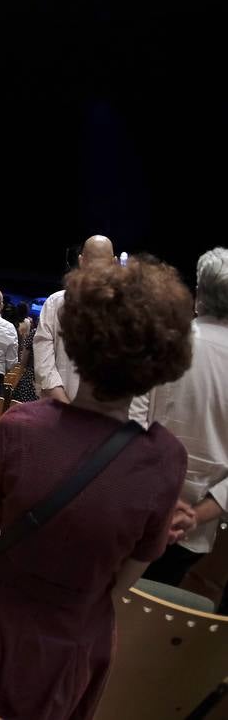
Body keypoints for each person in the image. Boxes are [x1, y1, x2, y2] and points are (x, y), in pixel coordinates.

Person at [0, 259, 193, 720]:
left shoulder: (19, 428)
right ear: (163, 360)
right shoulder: (166, 460)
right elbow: (119, 585)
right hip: (70, 645)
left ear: (77, 339)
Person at [134, 248, 228, 596]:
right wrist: (194, 515)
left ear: (198, 295)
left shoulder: (161, 343)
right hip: (194, 530)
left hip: (136, 508)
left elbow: (132, 427)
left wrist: (164, 503)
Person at [35, 235, 116, 403]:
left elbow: (44, 366)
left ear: (80, 260)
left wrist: (65, 405)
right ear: (114, 262)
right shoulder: (127, 308)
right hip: (105, 416)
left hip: (57, 409)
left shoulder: (54, 302)